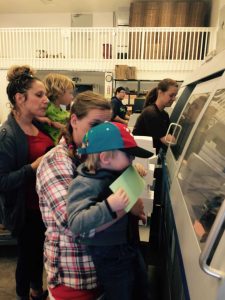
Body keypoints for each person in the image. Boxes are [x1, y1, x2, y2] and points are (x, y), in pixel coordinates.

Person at [36, 91, 112, 300]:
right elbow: (73, 223)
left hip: (99, 271)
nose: (103, 135)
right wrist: (123, 206)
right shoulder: (56, 161)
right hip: (74, 279)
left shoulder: (92, 155)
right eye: (94, 125)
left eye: (107, 127)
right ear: (74, 120)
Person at [67, 121, 153, 300]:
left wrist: (134, 210)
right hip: (109, 255)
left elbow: (124, 195)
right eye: (129, 156)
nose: (132, 160)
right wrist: (108, 206)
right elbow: (76, 222)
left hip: (128, 244)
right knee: (120, 292)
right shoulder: (84, 184)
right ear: (105, 157)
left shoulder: (113, 170)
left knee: (140, 283)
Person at [0, 65, 54, 300]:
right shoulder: (8, 136)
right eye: (39, 95)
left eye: (46, 95)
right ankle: (24, 294)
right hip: (26, 210)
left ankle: (35, 290)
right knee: (27, 256)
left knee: (39, 253)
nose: (46, 100)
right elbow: (2, 182)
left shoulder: (38, 123)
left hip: (43, 206)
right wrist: (34, 167)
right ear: (20, 98)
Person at [133, 78, 178, 154]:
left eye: (175, 95)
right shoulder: (151, 113)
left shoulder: (164, 114)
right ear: (160, 93)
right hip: (141, 157)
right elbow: (169, 141)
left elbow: (170, 136)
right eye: (171, 95)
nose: (173, 99)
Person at [37, 73, 74, 144]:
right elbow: (30, 115)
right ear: (59, 93)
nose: (72, 97)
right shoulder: (47, 106)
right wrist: (42, 119)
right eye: (70, 93)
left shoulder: (61, 110)